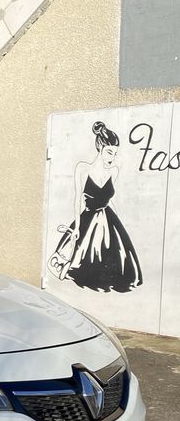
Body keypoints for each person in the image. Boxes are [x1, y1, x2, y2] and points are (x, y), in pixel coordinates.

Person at [49, 120, 142, 293]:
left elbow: (109, 198)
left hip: (109, 219)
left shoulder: (113, 171)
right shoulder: (83, 169)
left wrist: (120, 222)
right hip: (88, 218)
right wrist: (76, 227)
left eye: (114, 153)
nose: (111, 157)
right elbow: (77, 199)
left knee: (116, 259)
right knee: (84, 258)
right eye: (109, 152)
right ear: (100, 148)